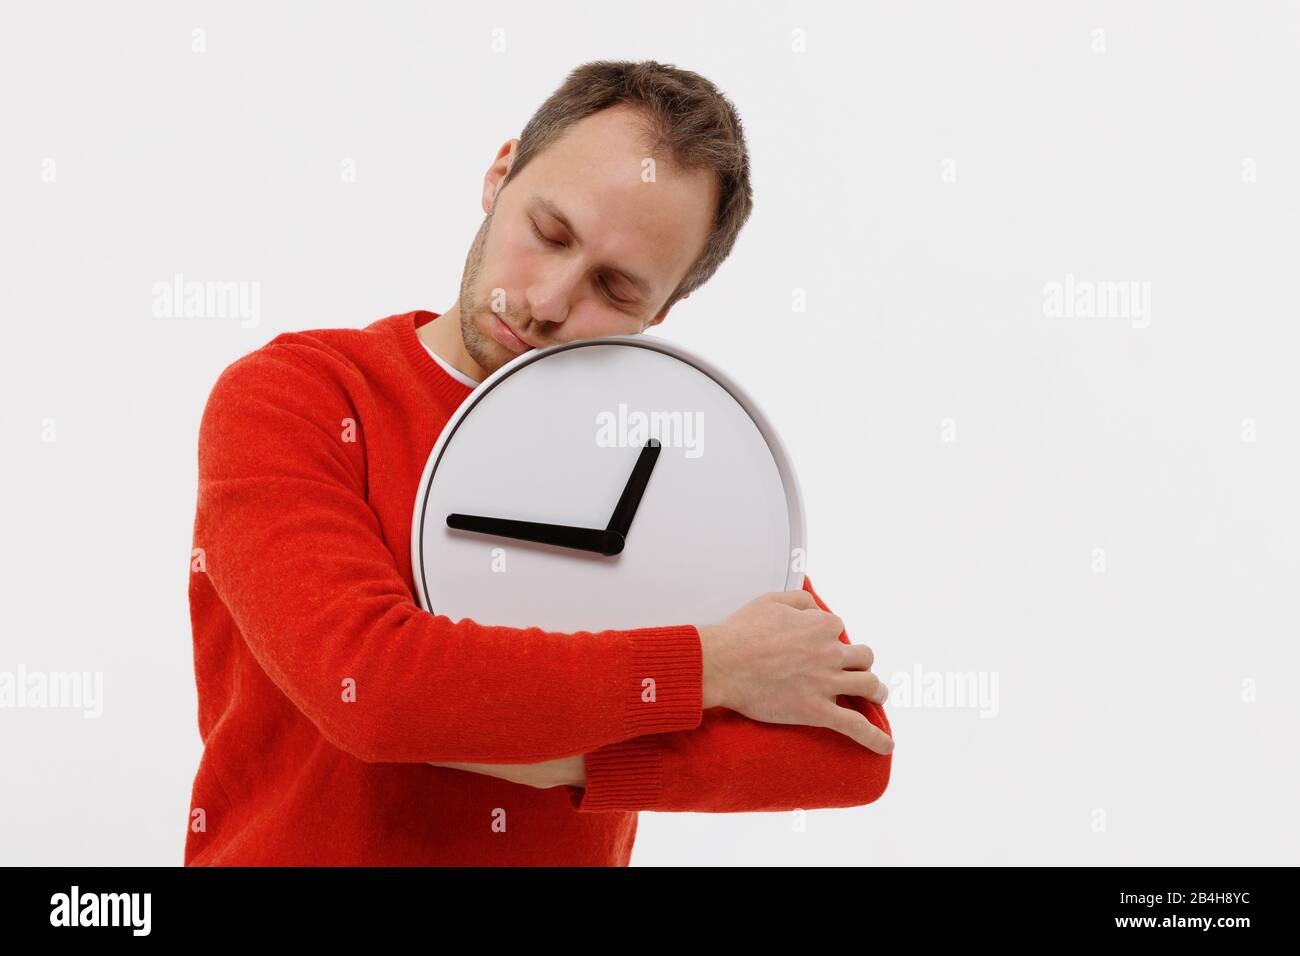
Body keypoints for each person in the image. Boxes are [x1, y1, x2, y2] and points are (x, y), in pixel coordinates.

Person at [184, 59, 893, 867]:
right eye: (549, 233)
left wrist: (522, 746)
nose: (550, 299)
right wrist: (709, 667)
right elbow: (373, 691)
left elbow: (849, 749)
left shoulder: (676, 452)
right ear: (500, 173)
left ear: (664, 310)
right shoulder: (299, 397)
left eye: (616, 287)